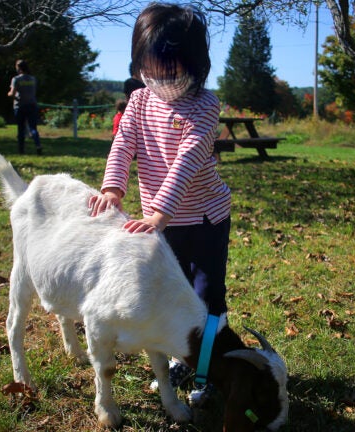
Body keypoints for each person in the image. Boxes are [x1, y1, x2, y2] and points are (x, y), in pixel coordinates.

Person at [89, 3, 230, 400]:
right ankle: (177, 361)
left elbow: (186, 162)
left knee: (206, 297)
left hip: (203, 220)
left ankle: (205, 372)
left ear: (193, 64)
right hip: (158, 224)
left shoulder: (205, 105)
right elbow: (123, 144)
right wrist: (113, 187)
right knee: (170, 293)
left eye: (170, 72)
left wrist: (158, 214)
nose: (159, 81)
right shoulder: (138, 102)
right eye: (149, 71)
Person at [8, 60, 41, 154]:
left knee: (21, 128)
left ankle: (21, 150)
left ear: (18, 67)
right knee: (33, 128)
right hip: (32, 104)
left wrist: (9, 94)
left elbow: (12, 93)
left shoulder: (16, 79)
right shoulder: (33, 79)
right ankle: (38, 145)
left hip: (20, 106)